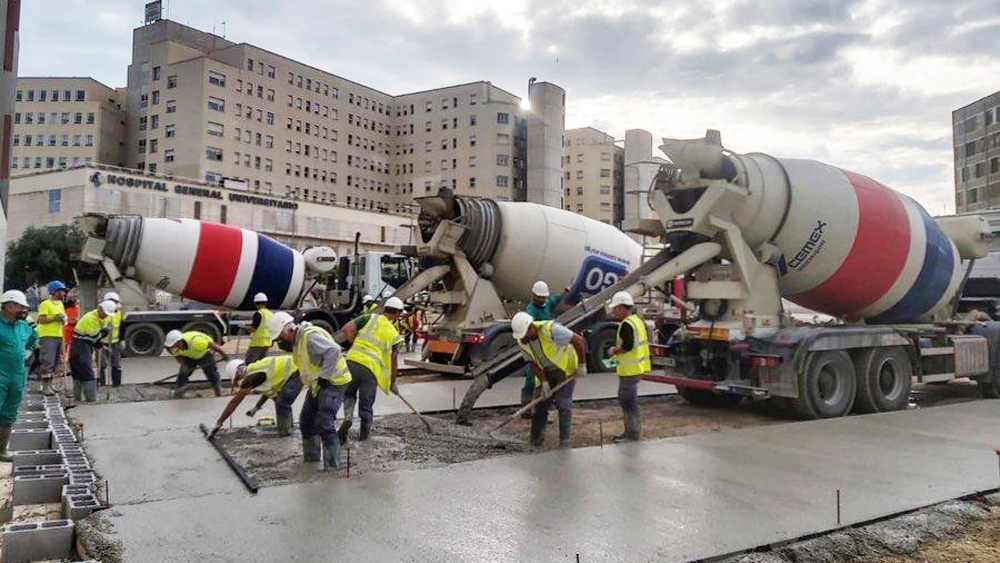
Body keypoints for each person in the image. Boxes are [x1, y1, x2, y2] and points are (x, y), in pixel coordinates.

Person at [266, 312, 351, 470]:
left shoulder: (310, 336)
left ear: (289, 329)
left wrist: (325, 376)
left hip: (333, 382)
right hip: (318, 384)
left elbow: (333, 350)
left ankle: (332, 468)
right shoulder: (299, 341)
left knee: (324, 422)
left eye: (280, 337)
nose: (281, 342)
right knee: (306, 421)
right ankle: (312, 459)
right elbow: (306, 364)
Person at [510, 311, 586, 449]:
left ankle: (564, 443)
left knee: (563, 405)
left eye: (524, 334)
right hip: (545, 371)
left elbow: (578, 340)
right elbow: (532, 362)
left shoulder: (551, 330)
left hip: (564, 368)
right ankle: (535, 440)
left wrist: (581, 364)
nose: (523, 338)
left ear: (531, 327)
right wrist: (544, 382)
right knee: (540, 405)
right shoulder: (522, 341)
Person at [337, 296, 405, 445]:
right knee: (366, 405)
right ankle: (364, 438)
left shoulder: (369, 318)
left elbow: (347, 329)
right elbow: (393, 361)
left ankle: (348, 417)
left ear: (385, 309)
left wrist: (354, 344)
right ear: (398, 313)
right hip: (370, 370)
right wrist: (392, 382)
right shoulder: (394, 334)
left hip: (352, 361)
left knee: (349, 394)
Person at [211, 355, 303, 437]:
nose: (239, 382)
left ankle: (285, 432)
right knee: (279, 400)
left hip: (298, 371)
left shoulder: (250, 377)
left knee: (282, 402)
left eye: (237, 379)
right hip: (295, 369)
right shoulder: (256, 371)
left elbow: (234, 402)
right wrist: (256, 407)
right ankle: (288, 426)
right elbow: (268, 392)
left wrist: (219, 422)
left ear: (238, 372)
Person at [606, 291, 650, 442]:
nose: (614, 311)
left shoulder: (627, 324)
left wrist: (613, 350)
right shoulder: (636, 321)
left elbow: (628, 346)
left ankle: (633, 434)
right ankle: (629, 432)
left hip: (630, 371)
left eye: (615, 308)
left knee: (628, 402)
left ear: (622, 307)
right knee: (628, 401)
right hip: (635, 368)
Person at [0, 290, 38, 461]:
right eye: (20, 307)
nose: (23, 310)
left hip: (17, 376)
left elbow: (34, 340)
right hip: (1, 374)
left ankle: (1, 451)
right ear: (9, 306)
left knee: (9, 413)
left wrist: (28, 352)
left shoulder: (23, 327)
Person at [518, 280, 565, 417]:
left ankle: (544, 405)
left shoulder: (546, 304)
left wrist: (565, 292)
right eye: (539, 297)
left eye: (543, 297)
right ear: (533, 295)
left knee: (547, 375)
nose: (541, 300)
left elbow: (554, 300)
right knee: (532, 378)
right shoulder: (531, 311)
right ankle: (526, 407)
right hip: (535, 346)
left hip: (547, 347)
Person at [69, 301, 116, 403]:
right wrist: (105, 332)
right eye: (105, 313)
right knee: (85, 372)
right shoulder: (90, 318)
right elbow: (94, 336)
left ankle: (78, 399)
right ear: (100, 309)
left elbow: (96, 338)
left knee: (79, 373)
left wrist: (99, 341)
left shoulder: (103, 319)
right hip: (79, 346)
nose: (106, 316)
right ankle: (90, 399)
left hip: (86, 345)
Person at [164, 329, 229, 398]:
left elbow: (212, 345)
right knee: (183, 374)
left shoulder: (196, 342)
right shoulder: (172, 348)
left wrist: (223, 354)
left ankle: (218, 389)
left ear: (179, 342)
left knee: (211, 373)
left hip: (204, 354)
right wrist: (185, 365)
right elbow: (178, 356)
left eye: (174, 345)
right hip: (190, 356)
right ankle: (178, 391)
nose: (172, 347)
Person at [35, 281, 69, 396]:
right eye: (62, 291)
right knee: (47, 361)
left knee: (55, 361)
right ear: (55, 292)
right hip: (47, 335)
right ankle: (45, 386)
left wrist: (63, 319)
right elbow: (41, 320)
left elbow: (62, 318)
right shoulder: (45, 304)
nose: (64, 293)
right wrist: (55, 318)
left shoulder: (60, 304)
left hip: (58, 334)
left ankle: (50, 384)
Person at [99, 292, 124, 387]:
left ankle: (116, 384)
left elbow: (122, 327)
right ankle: (101, 383)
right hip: (102, 342)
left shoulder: (119, 313)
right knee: (101, 364)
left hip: (115, 342)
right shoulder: (101, 312)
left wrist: (122, 340)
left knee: (116, 364)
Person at [242, 293, 273, 364]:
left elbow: (253, 329)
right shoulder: (270, 314)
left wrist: (243, 327)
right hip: (267, 343)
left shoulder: (259, 314)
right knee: (262, 364)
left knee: (249, 364)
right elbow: (263, 325)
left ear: (255, 303)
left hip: (257, 344)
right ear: (265, 303)